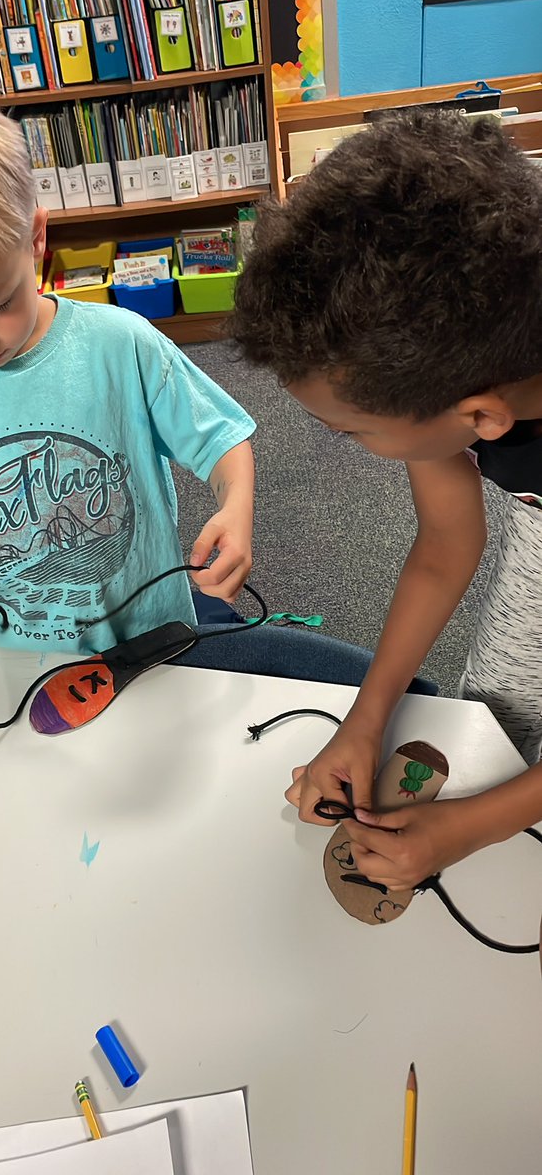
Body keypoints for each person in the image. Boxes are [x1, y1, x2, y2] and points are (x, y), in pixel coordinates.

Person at [0, 90, 390, 691]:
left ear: (36, 239)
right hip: (24, 661)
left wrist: (235, 507)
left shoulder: (120, 343)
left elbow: (222, 441)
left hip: (156, 638)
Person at [232, 108, 542, 890]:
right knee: (503, 729)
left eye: (347, 432)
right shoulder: (469, 360)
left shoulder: (465, 381)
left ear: (479, 418)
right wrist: (363, 724)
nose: (340, 444)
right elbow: (445, 545)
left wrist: (465, 830)